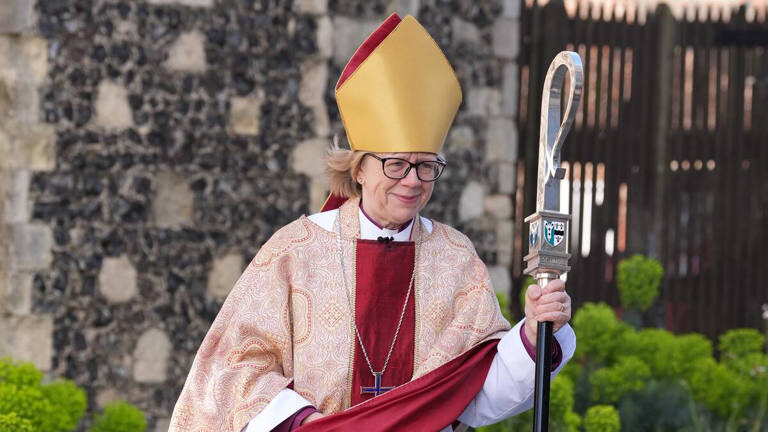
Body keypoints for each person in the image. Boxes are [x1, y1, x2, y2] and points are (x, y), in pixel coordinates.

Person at [169, 13, 575, 432]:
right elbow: (236, 366)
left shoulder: (454, 259)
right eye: (397, 164)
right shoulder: (296, 251)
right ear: (359, 169)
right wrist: (308, 425)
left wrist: (532, 336)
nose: (413, 181)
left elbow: (477, 392)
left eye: (425, 166)